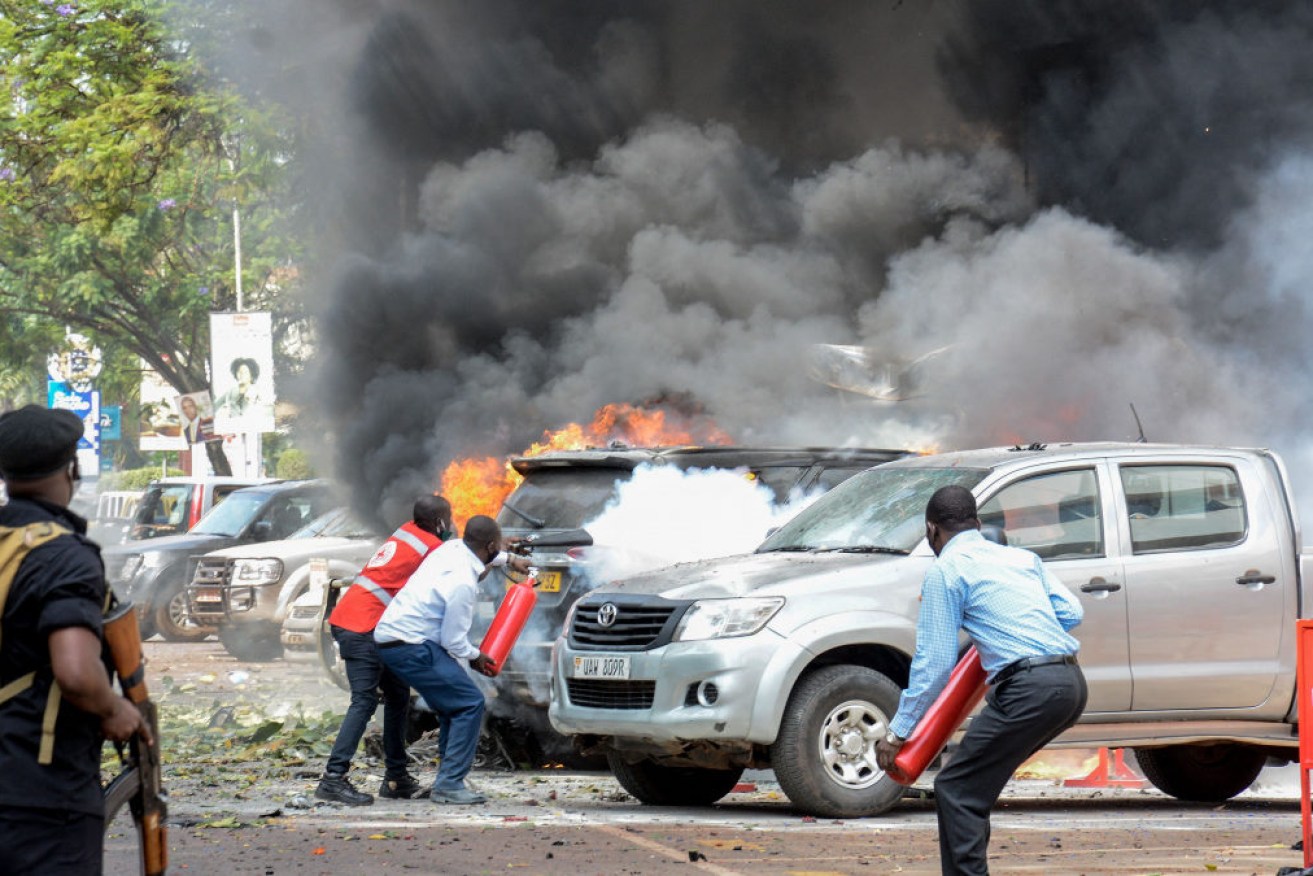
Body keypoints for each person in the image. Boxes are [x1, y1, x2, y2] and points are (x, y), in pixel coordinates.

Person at [876, 485, 1087, 876]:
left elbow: (935, 664)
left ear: (931, 530)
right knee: (971, 789)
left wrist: (897, 732)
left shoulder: (946, 570)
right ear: (976, 523)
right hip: (1070, 684)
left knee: (956, 790)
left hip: (1028, 689)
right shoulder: (1022, 558)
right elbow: (1072, 611)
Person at [0, 405, 149, 874]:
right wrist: (116, 709)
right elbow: (78, 673)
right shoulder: (64, 555)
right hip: (39, 797)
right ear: (73, 469)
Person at [314, 495, 455, 806]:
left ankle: (396, 779)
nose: (452, 525)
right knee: (364, 701)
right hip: (362, 627)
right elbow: (465, 566)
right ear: (440, 522)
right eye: (450, 519)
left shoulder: (407, 532)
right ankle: (333, 779)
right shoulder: (431, 547)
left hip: (360, 621)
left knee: (397, 695)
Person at [373, 515, 517, 805]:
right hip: (411, 645)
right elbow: (454, 642)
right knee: (469, 703)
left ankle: (448, 780)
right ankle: (449, 784)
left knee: (455, 705)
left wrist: (509, 559)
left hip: (395, 637)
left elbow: (485, 556)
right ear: (489, 545)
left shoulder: (450, 549)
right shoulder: (463, 583)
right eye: (496, 547)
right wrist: (477, 658)